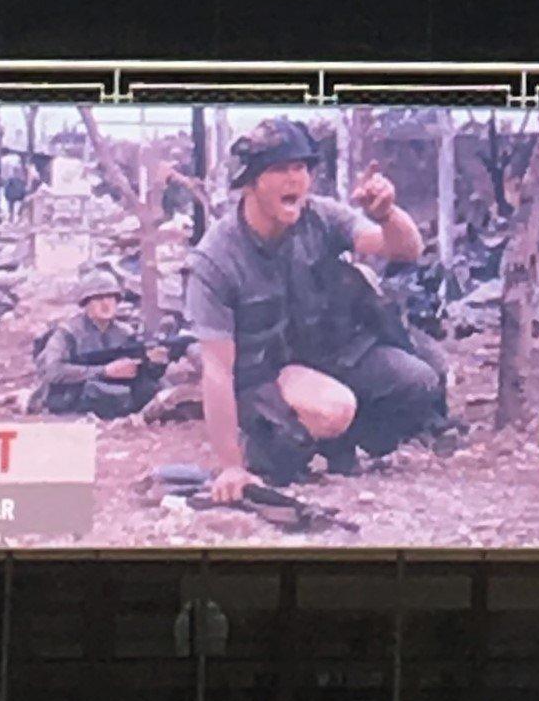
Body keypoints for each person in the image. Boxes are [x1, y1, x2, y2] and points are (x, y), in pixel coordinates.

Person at [183, 117, 443, 505]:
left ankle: (340, 443)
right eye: (279, 169)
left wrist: (388, 214)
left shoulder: (320, 217)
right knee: (330, 412)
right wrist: (230, 466)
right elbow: (218, 371)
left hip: (324, 356)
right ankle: (264, 445)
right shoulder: (217, 258)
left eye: (301, 167)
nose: (295, 180)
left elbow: (405, 249)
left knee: (420, 380)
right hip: (261, 379)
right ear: (251, 181)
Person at [32, 278, 167, 421]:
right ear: (86, 303)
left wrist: (155, 364)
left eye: (110, 297)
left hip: (111, 388)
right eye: (98, 298)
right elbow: (53, 371)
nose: (105, 304)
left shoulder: (125, 332)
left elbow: (140, 369)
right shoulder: (67, 333)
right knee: (97, 391)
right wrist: (104, 371)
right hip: (73, 393)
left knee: (152, 387)